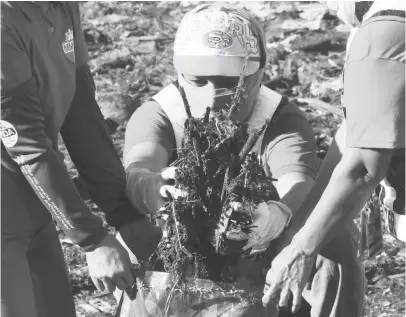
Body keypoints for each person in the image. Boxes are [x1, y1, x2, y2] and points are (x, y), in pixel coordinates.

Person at [122, 4, 364, 316]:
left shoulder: (279, 117)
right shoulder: (160, 114)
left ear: (258, 73)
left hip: (257, 247)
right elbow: (139, 168)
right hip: (176, 244)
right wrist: (155, 186)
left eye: (228, 82)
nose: (212, 97)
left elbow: (298, 183)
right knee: (130, 229)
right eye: (198, 81)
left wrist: (277, 214)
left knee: (333, 237)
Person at [1, 2, 161, 317]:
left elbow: (82, 116)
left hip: (34, 206)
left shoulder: (61, 6)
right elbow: (26, 145)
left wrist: (122, 213)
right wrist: (92, 240)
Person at [262, 1, 405, 314]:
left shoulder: (384, 35)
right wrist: (299, 227)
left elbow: (363, 168)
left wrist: (301, 249)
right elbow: (354, 132)